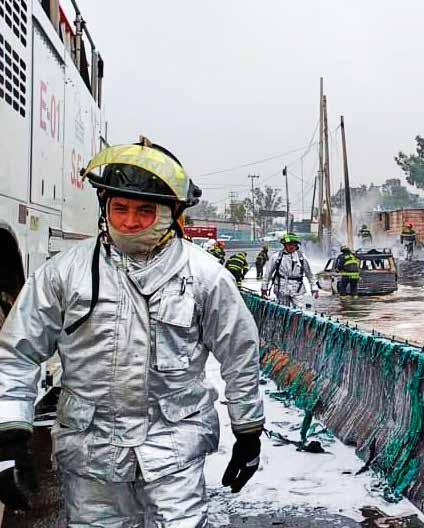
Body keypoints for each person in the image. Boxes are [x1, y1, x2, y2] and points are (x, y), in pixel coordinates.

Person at [0, 139, 264, 526]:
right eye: (119, 208)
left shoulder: (205, 277)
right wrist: (10, 431)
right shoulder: (64, 273)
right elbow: (16, 353)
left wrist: (248, 429)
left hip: (173, 452)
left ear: (171, 213)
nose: (129, 221)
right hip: (91, 456)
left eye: (144, 210)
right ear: (104, 207)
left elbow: (240, 355)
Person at [261, 233, 318, 308]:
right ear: (285, 245)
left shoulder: (302, 258)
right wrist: (264, 287)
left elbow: (309, 274)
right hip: (281, 289)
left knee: (299, 310)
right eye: (289, 244)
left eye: (293, 244)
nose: (291, 246)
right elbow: (268, 273)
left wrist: (314, 287)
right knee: (282, 310)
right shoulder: (277, 257)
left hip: (297, 289)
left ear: (296, 245)